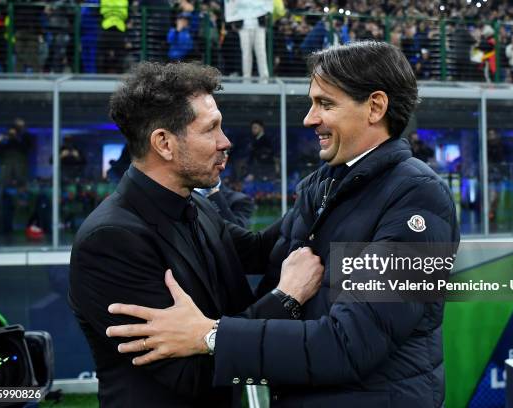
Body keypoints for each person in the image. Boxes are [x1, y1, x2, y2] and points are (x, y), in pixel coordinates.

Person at [107, 41, 460, 407]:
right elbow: (260, 251)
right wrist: (176, 195)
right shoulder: (326, 184)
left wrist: (210, 335)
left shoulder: (418, 197)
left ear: (375, 107)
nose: (309, 118)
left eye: (325, 103)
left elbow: (349, 345)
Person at [68, 61, 324, 407]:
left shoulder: (196, 205)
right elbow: (190, 374)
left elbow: (259, 249)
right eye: (211, 129)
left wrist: (326, 185)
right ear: (164, 143)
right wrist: (286, 297)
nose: (225, 142)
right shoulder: (112, 240)